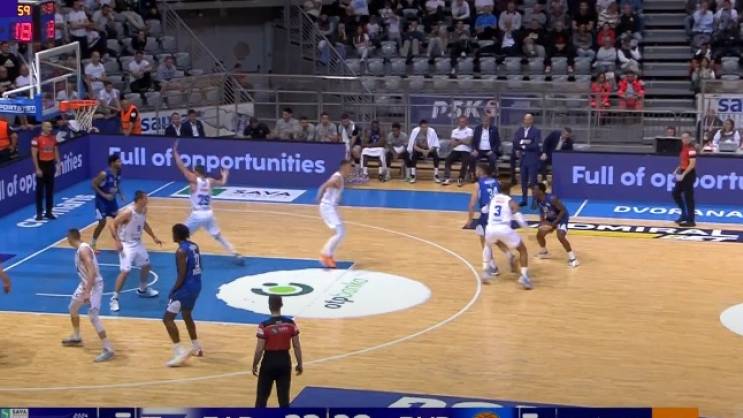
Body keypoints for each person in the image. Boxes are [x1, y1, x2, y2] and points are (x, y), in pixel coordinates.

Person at [173, 141, 243, 264]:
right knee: (218, 235)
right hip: (209, 213)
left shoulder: (194, 180)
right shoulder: (210, 181)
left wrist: (175, 153)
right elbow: (223, 183)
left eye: (194, 171)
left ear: (196, 172)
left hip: (197, 214)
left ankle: (186, 255)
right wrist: (225, 174)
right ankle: (235, 253)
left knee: (181, 235)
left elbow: (182, 167)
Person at [62, 228, 114, 362]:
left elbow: (92, 271)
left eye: (67, 237)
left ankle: (108, 349)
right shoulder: (84, 248)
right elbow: (89, 259)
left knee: (93, 316)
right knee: (73, 308)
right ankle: (76, 337)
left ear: (70, 238)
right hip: (85, 284)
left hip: (94, 285)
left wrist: (87, 292)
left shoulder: (83, 250)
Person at [108, 191, 163, 312]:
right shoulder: (128, 212)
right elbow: (112, 224)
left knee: (146, 266)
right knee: (125, 271)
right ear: (139, 200)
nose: (147, 200)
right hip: (126, 244)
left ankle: (142, 289)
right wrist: (117, 241)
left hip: (137, 243)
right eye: (145, 198)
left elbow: (144, 223)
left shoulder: (144, 210)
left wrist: (153, 237)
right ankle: (114, 299)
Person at [163, 224, 204, 367]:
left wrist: (173, 290)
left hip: (185, 288)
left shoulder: (180, 251)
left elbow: (182, 274)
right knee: (187, 314)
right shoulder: (194, 246)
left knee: (167, 319)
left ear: (176, 235)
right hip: (197, 285)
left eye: (173, 233)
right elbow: (200, 266)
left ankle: (179, 351)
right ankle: (197, 347)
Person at [253, 295, 303, 408]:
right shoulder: (290, 323)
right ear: (281, 305)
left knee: (261, 399)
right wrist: (300, 363)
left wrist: (255, 364)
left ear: (269, 306)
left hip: (269, 362)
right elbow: (296, 346)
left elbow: (259, 349)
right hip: (284, 361)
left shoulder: (264, 325)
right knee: (284, 400)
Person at [466, 164, 514, 281]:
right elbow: (506, 196)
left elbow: (472, 203)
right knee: (495, 237)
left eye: (477, 170)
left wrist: (470, 219)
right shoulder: (497, 182)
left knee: (484, 241)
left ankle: (492, 266)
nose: (475, 171)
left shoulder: (478, 184)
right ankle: (509, 254)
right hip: (498, 213)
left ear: (481, 171)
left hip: (486, 214)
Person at [483, 183, 532, 289]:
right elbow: (519, 218)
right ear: (509, 191)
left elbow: (484, 210)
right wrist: (527, 229)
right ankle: (524, 277)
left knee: (488, 245)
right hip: (504, 228)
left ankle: (486, 271)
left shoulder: (492, 199)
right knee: (522, 250)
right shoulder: (510, 201)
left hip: (490, 228)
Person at [317, 160, 354, 268]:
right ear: (344, 167)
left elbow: (332, 189)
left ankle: (328, 255)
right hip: (328, 207)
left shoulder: (339, 177)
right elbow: (325, 185)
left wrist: (337, 199)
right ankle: (325, 255)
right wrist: (319, 194)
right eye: (349, 167)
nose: (351, 169)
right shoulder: (337, 177)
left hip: (331, 207)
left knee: (341, 232)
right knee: (340, 232)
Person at [532, 183, 579, 267]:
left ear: (541, 191)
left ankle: (573, 259)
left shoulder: (552, 198)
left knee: (560, 236)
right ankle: (544, 252)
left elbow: (563, 210)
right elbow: (542, 211)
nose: (532, 191)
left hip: (561, 218)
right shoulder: (538, 199)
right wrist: (542, 222)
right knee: (539, 235)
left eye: (534, 190)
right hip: (550, 218)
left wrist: (554, 224)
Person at [91, 153, 124, 252]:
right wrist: (104, 195)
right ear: (112, 163)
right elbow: (93, 185)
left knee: (118, 220)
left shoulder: (118, 172)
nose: (121, 163)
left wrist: (120, 194)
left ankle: (118, 242)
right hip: (101, 202)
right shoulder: (104, 174)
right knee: (102, 223)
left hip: (112, 201)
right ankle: (92, 244)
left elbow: (116, 184)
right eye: (118, 161)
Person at [31, 121, 60, 221]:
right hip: (41, 166)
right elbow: (34, 155)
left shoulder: (53, 138)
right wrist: (37, 168)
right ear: (43, 127)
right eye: (47, 127)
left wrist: (58, 162)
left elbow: (55, 150)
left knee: (49, 190)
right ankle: (39, 213)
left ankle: (49, 212)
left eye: (50, 127)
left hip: (50, 165)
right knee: (39, 191)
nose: (50, 129)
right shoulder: (36, 139)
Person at [512, 113, 541, 207]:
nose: (526, 121)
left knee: (533, 181)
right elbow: (516, 143)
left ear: (532, 120)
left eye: (528, 119)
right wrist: (520, 147)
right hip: (523, 159)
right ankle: (524, 199)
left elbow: (535, 145)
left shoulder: (536, 131)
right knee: (523, 181)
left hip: (532, 159)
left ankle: (535, 200)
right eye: (525, 119)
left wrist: (523, 145)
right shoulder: (519, 131)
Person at [672, 132, 697, 227]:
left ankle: (691, 220)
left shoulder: (691, 149)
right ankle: (684, 214)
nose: (685, 139)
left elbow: (692, 164)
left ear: (690, 138)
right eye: (683, 138)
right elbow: (683, 162)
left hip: (689, 174)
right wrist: (677, 169)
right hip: (682, 172)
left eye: (686, 138)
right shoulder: (683, 148)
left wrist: (684, 174)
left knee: (688, 197)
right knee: (675, 193)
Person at [469, 115, 501, 182]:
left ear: (489, 121)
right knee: (472, 157)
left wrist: (492, 150)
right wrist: (474, 150)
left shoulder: (494, 129)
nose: (485, 122)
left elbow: (498, 142)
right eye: (484, 121)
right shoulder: (477, 129)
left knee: (493, 158)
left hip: (490, 150)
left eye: (487, 121)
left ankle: (491, 175)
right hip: (479, 150)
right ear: (482, 121)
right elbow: (473, 142)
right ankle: (473, 174)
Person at [443, 116, 473, 186]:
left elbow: (468, 142)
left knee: (465, 162)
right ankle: (447, 178)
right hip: (455, 150)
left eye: (463, 122)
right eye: (460, 122)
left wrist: (458, 140)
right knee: (448, 160)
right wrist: (463, 140)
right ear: (458, 122)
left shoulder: (470, 130)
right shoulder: (454, 131)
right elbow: (452, 144)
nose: (461, 123)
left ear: (466, 122)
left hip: (466, 150)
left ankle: (460, 178)